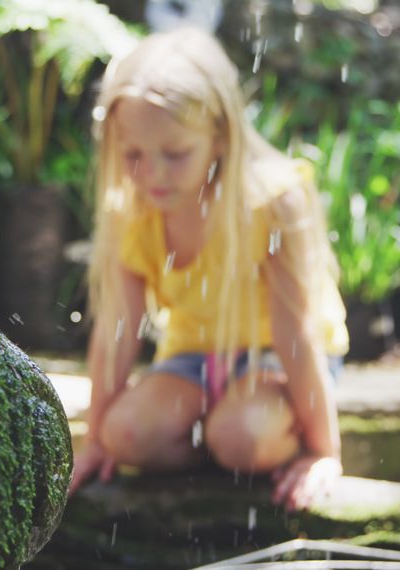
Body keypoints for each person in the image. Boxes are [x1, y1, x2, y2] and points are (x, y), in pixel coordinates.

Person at [69, 27, 350, 511]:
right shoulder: (133, 212)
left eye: (175, 155)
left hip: (278, 360)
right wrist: (95, 438)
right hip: (194, 361)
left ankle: (239, 439)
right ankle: (219, 440)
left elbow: (295, 331)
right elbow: (117, 330)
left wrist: (325, 451)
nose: (152, 174)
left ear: (219, 136)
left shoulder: (272, 201)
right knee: (127, 434)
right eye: (133, 155)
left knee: (244, 437)